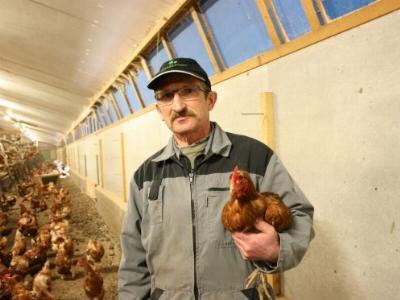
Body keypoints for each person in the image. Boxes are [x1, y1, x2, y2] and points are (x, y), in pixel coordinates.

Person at [118, 57, 314, 300]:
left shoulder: (255, 157)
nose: (177, 106)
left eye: (188, 91)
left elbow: (300, 215)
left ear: (210, 100)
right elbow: (133, 260)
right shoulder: (145, 176)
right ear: (159, 110)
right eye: (166, 96)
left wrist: (277, 249)